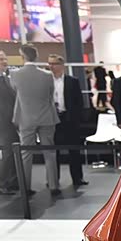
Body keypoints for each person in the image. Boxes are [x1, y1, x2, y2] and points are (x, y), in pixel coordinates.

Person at [10, 45, 61, 196]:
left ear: (22, 57)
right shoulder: (47, 75)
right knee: (49, 152)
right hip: (46, 117)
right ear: (36, 56)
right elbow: (50, 94)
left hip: (26, 118)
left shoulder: (15, 74)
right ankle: (53, 186)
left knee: (26, 153)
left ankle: (25, 187)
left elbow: (15, 92)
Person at [48, 55, 87, 187]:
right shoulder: (47, 81)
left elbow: (79, 101)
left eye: (54, 63)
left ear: (61, 65)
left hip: (70, 119)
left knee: (74, 150)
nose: (51, 66)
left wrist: (77, 118)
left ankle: (77, 178)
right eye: (49, 63)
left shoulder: (72, 81)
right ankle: (53, 180)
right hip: (53, 119)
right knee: (54, 152)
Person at [0, 50, 23, 196]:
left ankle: (13, 182)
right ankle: (3, 184)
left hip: (10, 121)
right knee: (8, 152)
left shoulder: (4, 78)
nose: (4, 61)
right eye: (0, 59)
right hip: (1, 121)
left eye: (5, 59)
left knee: (13, 151)